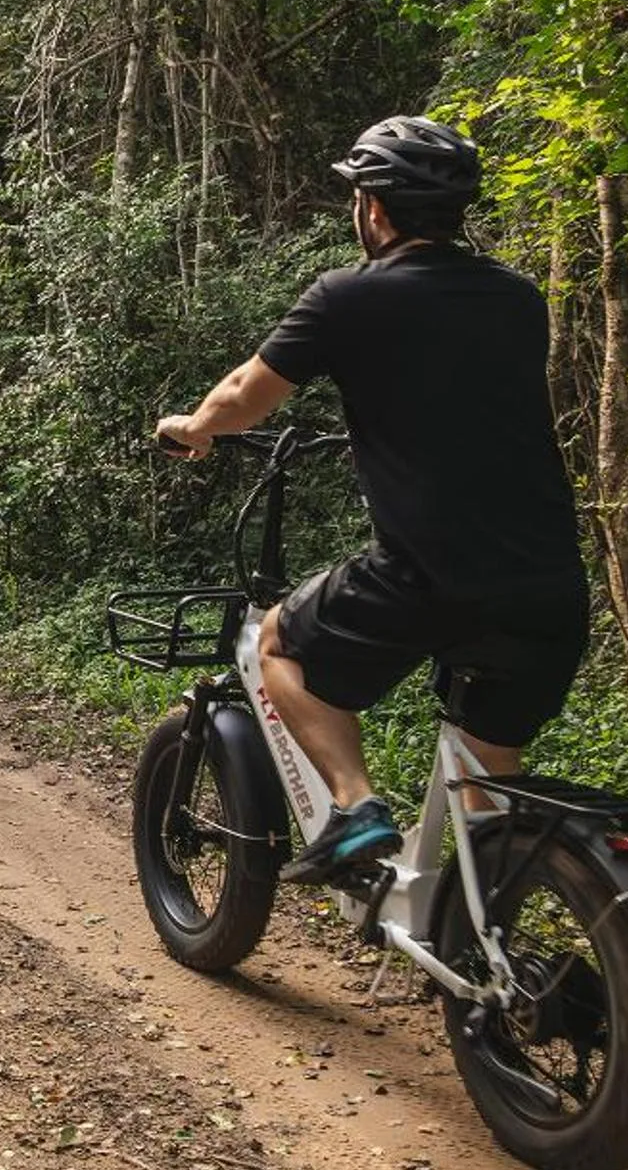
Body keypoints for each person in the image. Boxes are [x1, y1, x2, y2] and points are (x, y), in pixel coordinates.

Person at [152, 116, 589, 884]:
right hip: (548, 588)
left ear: (373, 209)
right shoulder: (519, 298)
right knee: (487, 776)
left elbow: (245, 394)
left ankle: (355, 809)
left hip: (428, 575)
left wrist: (193, 427)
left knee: (276, 645)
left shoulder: (348, 297)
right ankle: (483, 925)